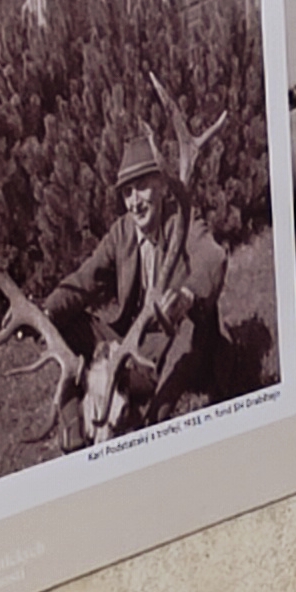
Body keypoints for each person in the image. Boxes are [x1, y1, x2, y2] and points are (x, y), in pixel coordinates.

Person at [46, 128, 226, 431]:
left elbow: (213, 256)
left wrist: (186, 295)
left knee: (196, 319)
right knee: (62, 322)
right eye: (127, 192)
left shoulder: (183, 220)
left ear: (163, 186)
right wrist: (45, 312)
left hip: (174, 348)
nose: (134, 201)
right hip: (130, 348)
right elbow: (84, 279)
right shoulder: (122, 232)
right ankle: (74, 431)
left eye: (142, 187)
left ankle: (154, 417)